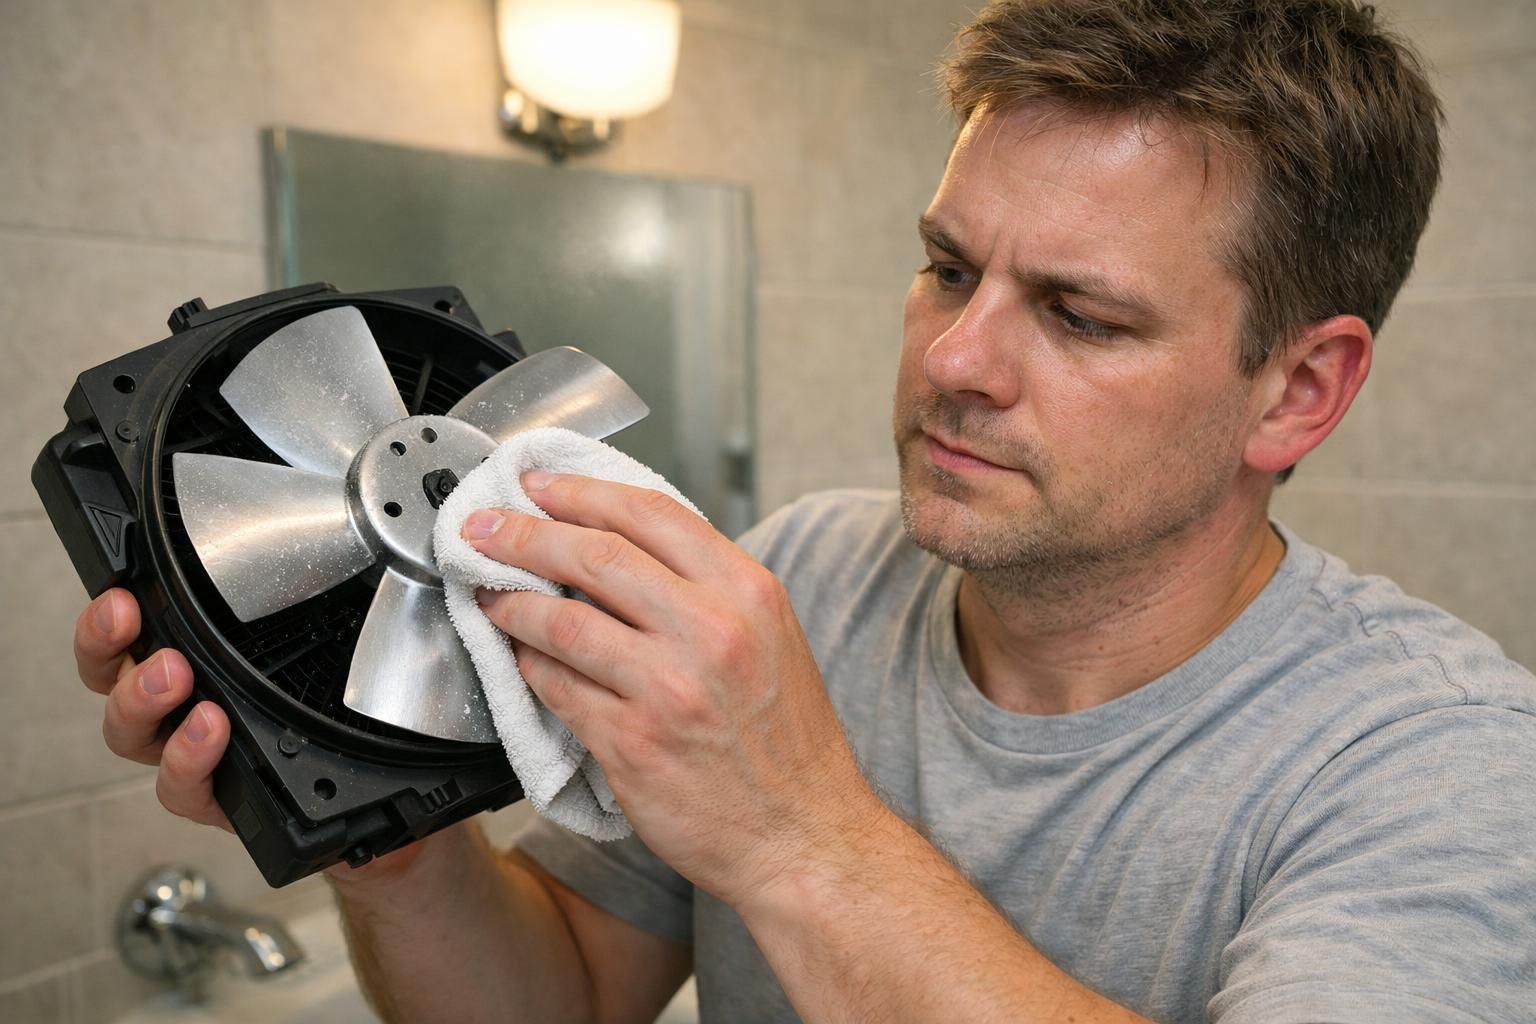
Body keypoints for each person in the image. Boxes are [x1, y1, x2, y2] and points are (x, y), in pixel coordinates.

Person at [74, 0, 1535, 1021]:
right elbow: (568, 996)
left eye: (1081, 316)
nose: (955, 362)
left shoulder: (1444, 771)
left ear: (1297, 391)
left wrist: (797, 834)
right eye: (950, 269)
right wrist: (388, 844)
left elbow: (795, 838)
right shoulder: (809, 574)